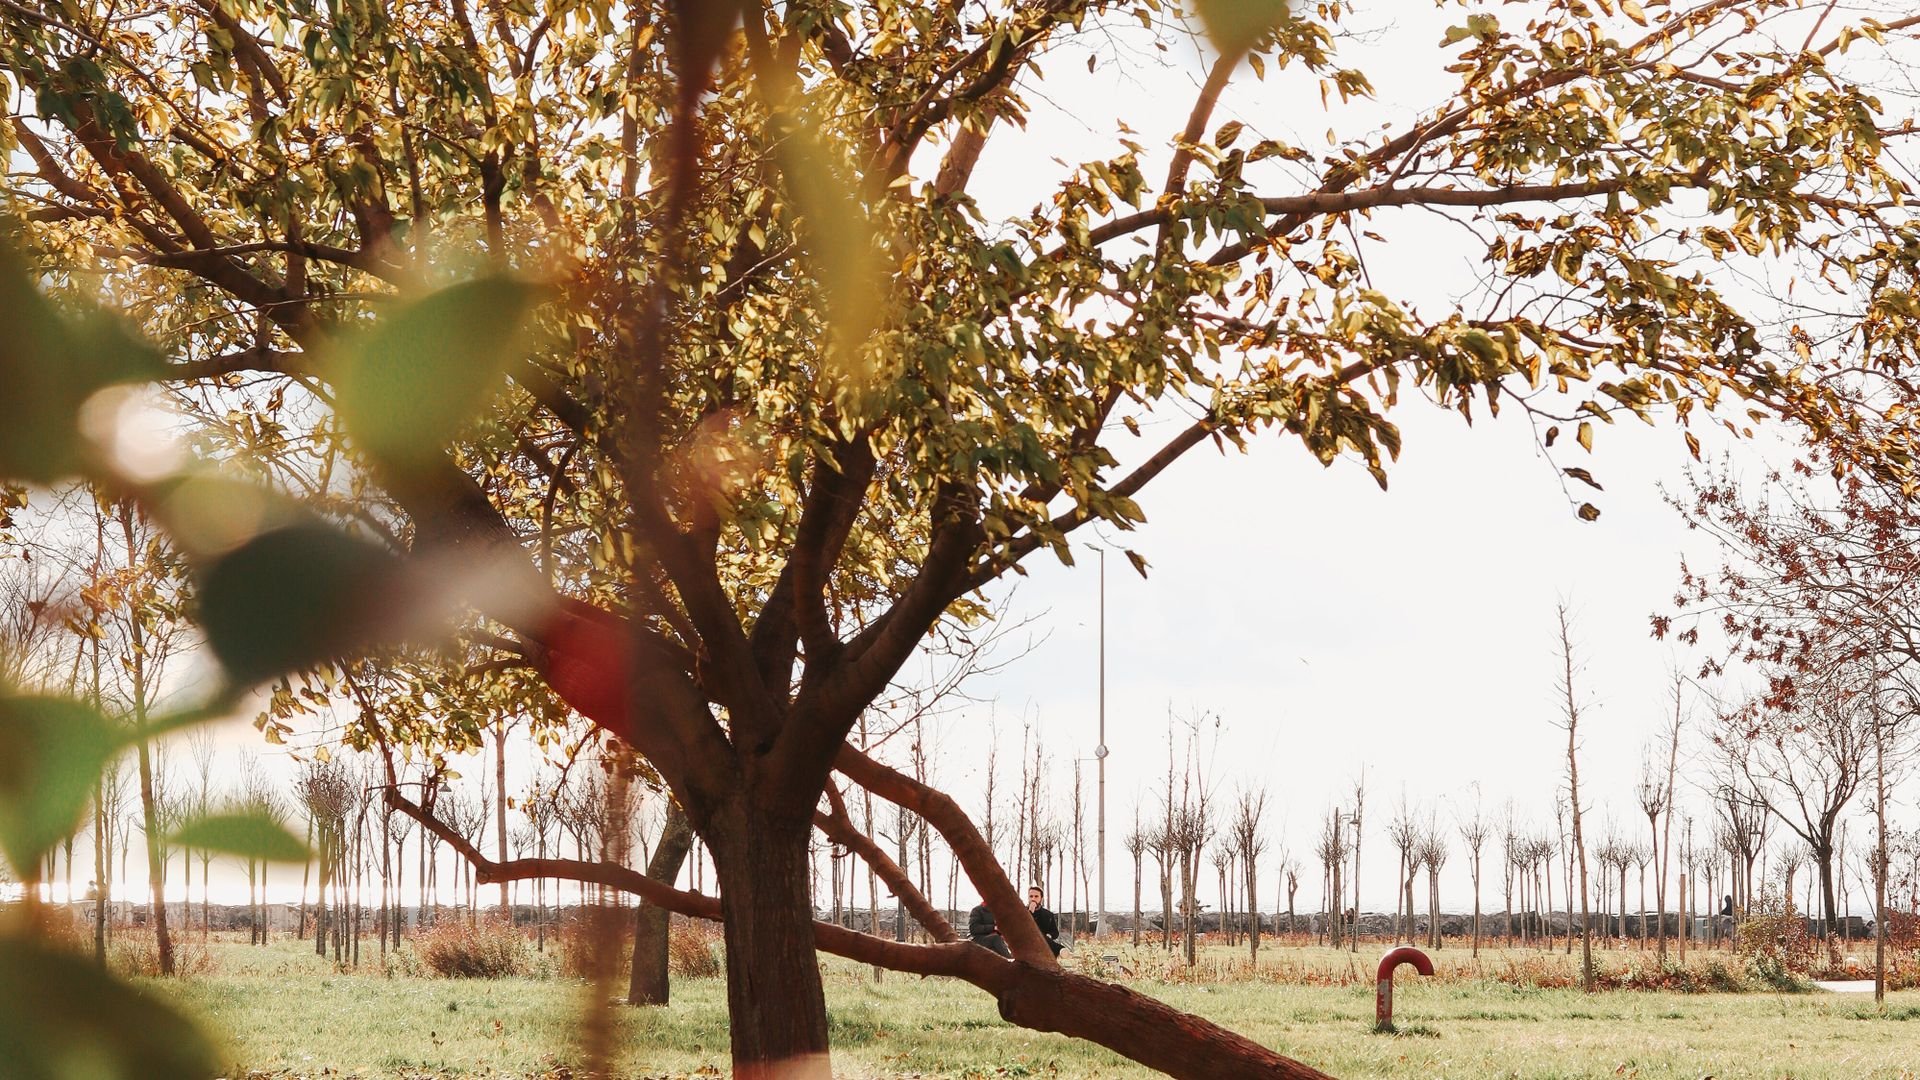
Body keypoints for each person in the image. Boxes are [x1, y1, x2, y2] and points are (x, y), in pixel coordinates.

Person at [1028, 886, 1065, 956]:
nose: (1033, 899)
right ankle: (1059, 949)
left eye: (1036, 896)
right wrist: (1030, 912)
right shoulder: (1022, 912)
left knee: (1042, 937)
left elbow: (1055, 932)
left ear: (1041, 898)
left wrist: (1050, 935)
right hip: (1027, 943)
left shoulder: (1048, 915)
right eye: (1031, 896)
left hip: (1044, 944)